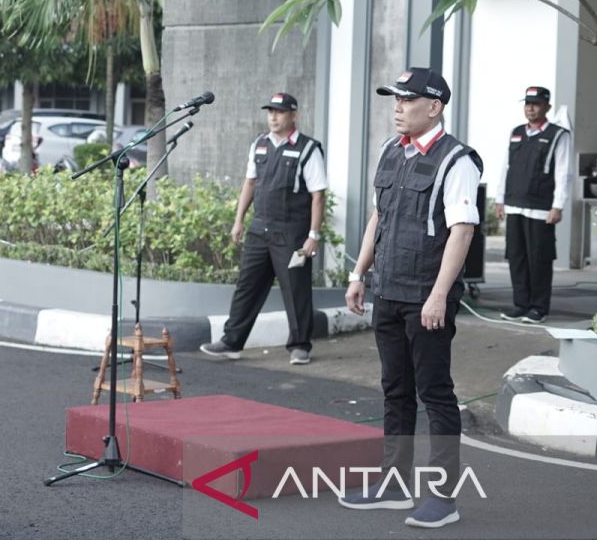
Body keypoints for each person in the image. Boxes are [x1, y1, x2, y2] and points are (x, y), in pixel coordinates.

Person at [340, 68, 481, 530]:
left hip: (427, 298)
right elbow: (378, 218)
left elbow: (462, 231)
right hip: (388, 290)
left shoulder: (456, 160)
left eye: (407, 99)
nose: (397, 107)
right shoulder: (391, 150)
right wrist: (359, 273)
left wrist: (439, 295)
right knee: (395, 391)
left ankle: (444, 498)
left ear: (434, 106)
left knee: (435, 394)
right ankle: (394, 483)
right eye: (394, 99)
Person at [201, 93, 327, 365]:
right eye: (270, 111)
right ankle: (231, 342)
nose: (273, 117)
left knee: (296, 289)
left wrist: (313, 235)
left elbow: (318, 195)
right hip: (260, 230)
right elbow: (250, 183)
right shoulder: (259, 144)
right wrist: (238, 221)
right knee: (247, 286)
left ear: (293, 115)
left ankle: (300, 346)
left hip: (292, 234)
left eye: (280, 112)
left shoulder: (308, 149)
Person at [494, 86, 571, 324]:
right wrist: (500, 199)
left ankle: (538, 308)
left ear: (547, 106)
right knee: (516, 257)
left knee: (539, 259)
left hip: (541, 208)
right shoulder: (516, 133)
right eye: (527, 103)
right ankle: (521, 305)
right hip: (515, 205)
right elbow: (506, 168)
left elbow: (563, 172)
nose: (530, 107)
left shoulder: (559, 135)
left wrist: (558, 205)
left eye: (536, 103)